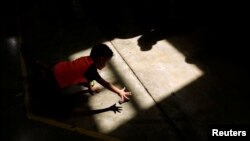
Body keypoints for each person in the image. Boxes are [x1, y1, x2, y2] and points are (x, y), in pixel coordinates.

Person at [50, 43, 132, 103]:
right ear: (101, 59)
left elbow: (88, 79)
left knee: (80, 77)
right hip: (55, 80)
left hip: (56, 67)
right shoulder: (91, 70)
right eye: (106, 61)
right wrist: (119, 92)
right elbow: (105, 84)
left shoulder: (86, 59)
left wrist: (91, 86)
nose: (106, 64)